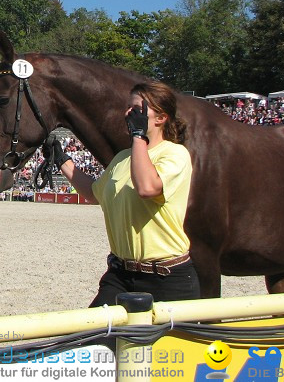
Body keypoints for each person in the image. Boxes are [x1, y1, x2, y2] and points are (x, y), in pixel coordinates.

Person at [52, 79, 199, 306]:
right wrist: (62, 160)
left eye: (139, 109)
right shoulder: (122, 158)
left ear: (161, 118)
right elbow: (93, 193)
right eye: (130, 107)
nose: (130, 113)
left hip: (168, 278)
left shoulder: (175, 154)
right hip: (120, 274)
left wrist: (138, 136)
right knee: (89, 338)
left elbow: (147, 188)